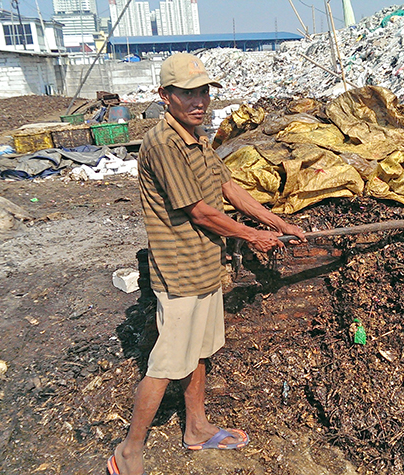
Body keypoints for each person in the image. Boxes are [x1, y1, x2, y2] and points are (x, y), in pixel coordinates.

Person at [107, 53, 306, 475]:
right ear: (165, 96)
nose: (199, 101)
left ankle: (195, 428)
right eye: (187, 93)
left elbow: (228, 188)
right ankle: (128, 451)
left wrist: (276, 221)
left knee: (198, 352)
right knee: (166, 363)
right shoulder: (163, 144)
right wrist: (253, 236)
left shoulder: (198, 137)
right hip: (179, 271)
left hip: (206, 265)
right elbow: (199, 211)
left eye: (203, 92)